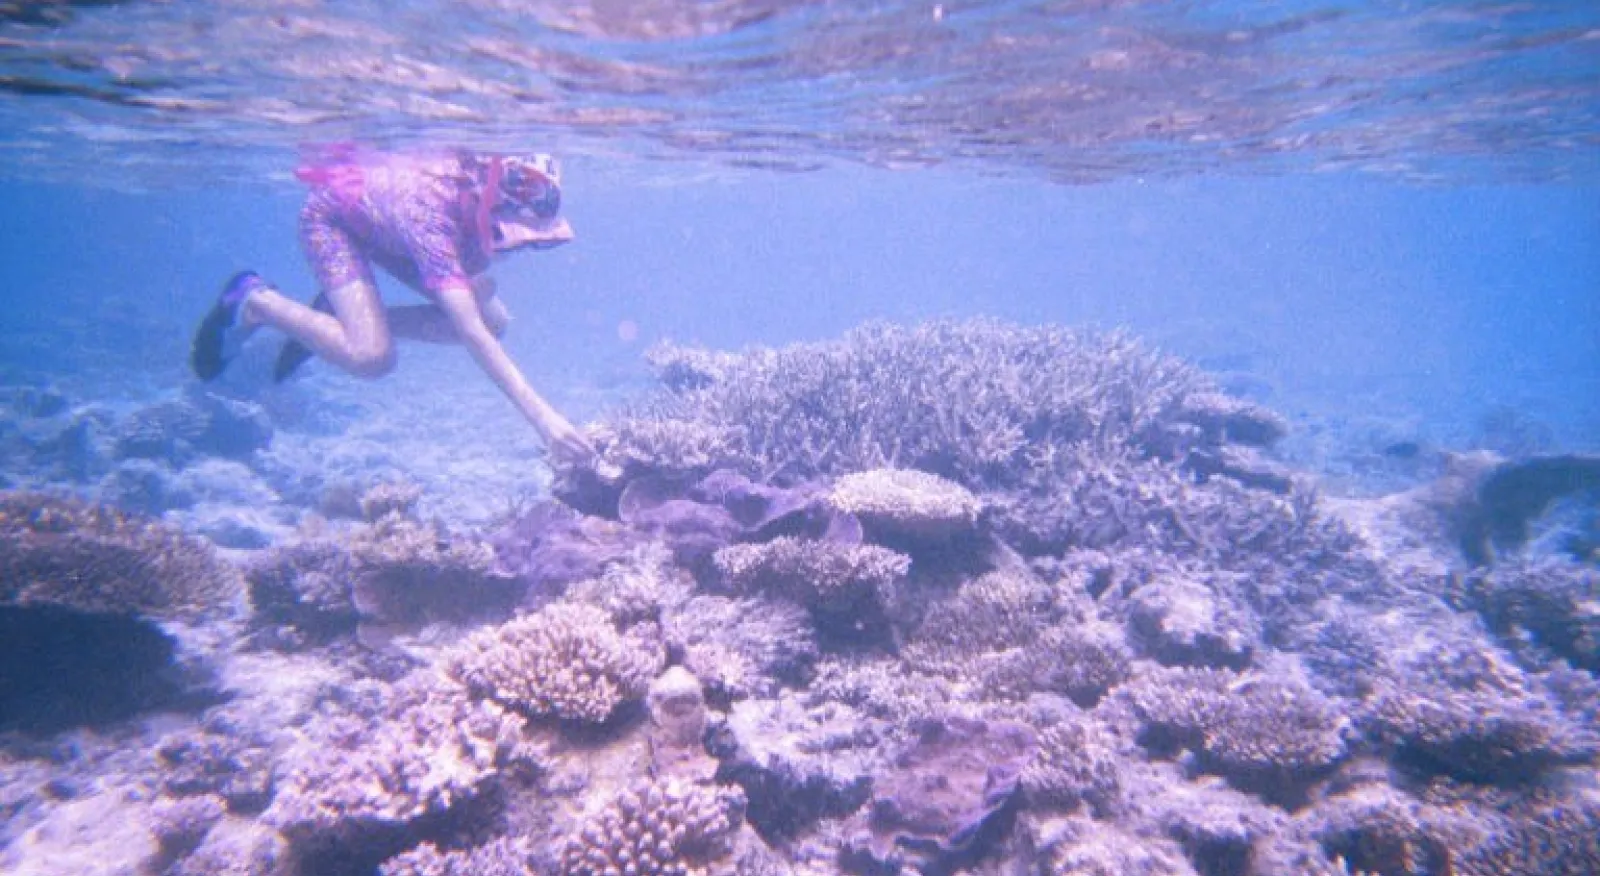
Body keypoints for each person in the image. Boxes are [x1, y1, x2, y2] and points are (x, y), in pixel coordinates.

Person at [190, 145, 596, 462]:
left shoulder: (469, 197)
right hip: (336, 221)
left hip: (388, 228)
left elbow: (479, 312)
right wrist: (544, 419)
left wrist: (473, 295)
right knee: (372, 357)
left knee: (495, 321)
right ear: (485, 200)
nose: (514, 245)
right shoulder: (429, 219)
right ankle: (256, 302)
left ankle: (331, 319)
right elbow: (471, 333)